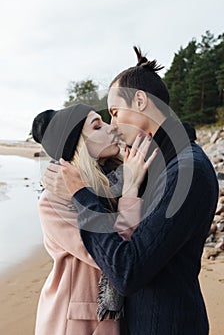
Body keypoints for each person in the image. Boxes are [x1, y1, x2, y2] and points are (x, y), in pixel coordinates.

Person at [44, 47, 219, 335]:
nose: (113, 125)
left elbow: (127, 270)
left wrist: (80, 195)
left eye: (114, 113)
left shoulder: (188, 170)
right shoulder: (166, 162)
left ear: (139, 100)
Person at [32, 103, 157, 335]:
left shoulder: (113, 181)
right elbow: (114, 255)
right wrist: (130, 191)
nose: (111, 128)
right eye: (97, 126)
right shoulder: (54, 203)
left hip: (115, 318)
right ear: (78, 146)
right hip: (76, 322)